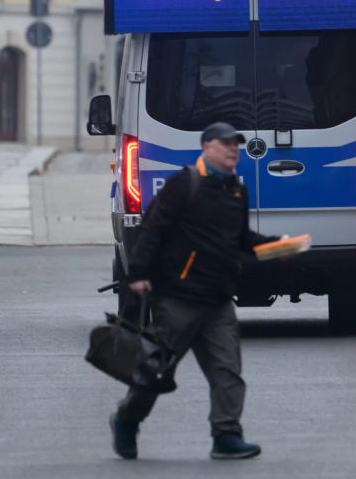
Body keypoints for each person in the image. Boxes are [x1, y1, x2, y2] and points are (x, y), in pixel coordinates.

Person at [109, 122, 279, 461]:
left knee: (227, 371)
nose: (234, 150)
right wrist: (139, 273)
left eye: (237, 145)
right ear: (207, 147)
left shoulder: (236, 191)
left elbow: (241, 238)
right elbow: (153, 230)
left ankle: (227, 434)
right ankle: (127, 419)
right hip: (177, 299)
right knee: (156, 370)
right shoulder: (183, 185)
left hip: (218, 300)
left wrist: (278, 247)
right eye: (227, 144)